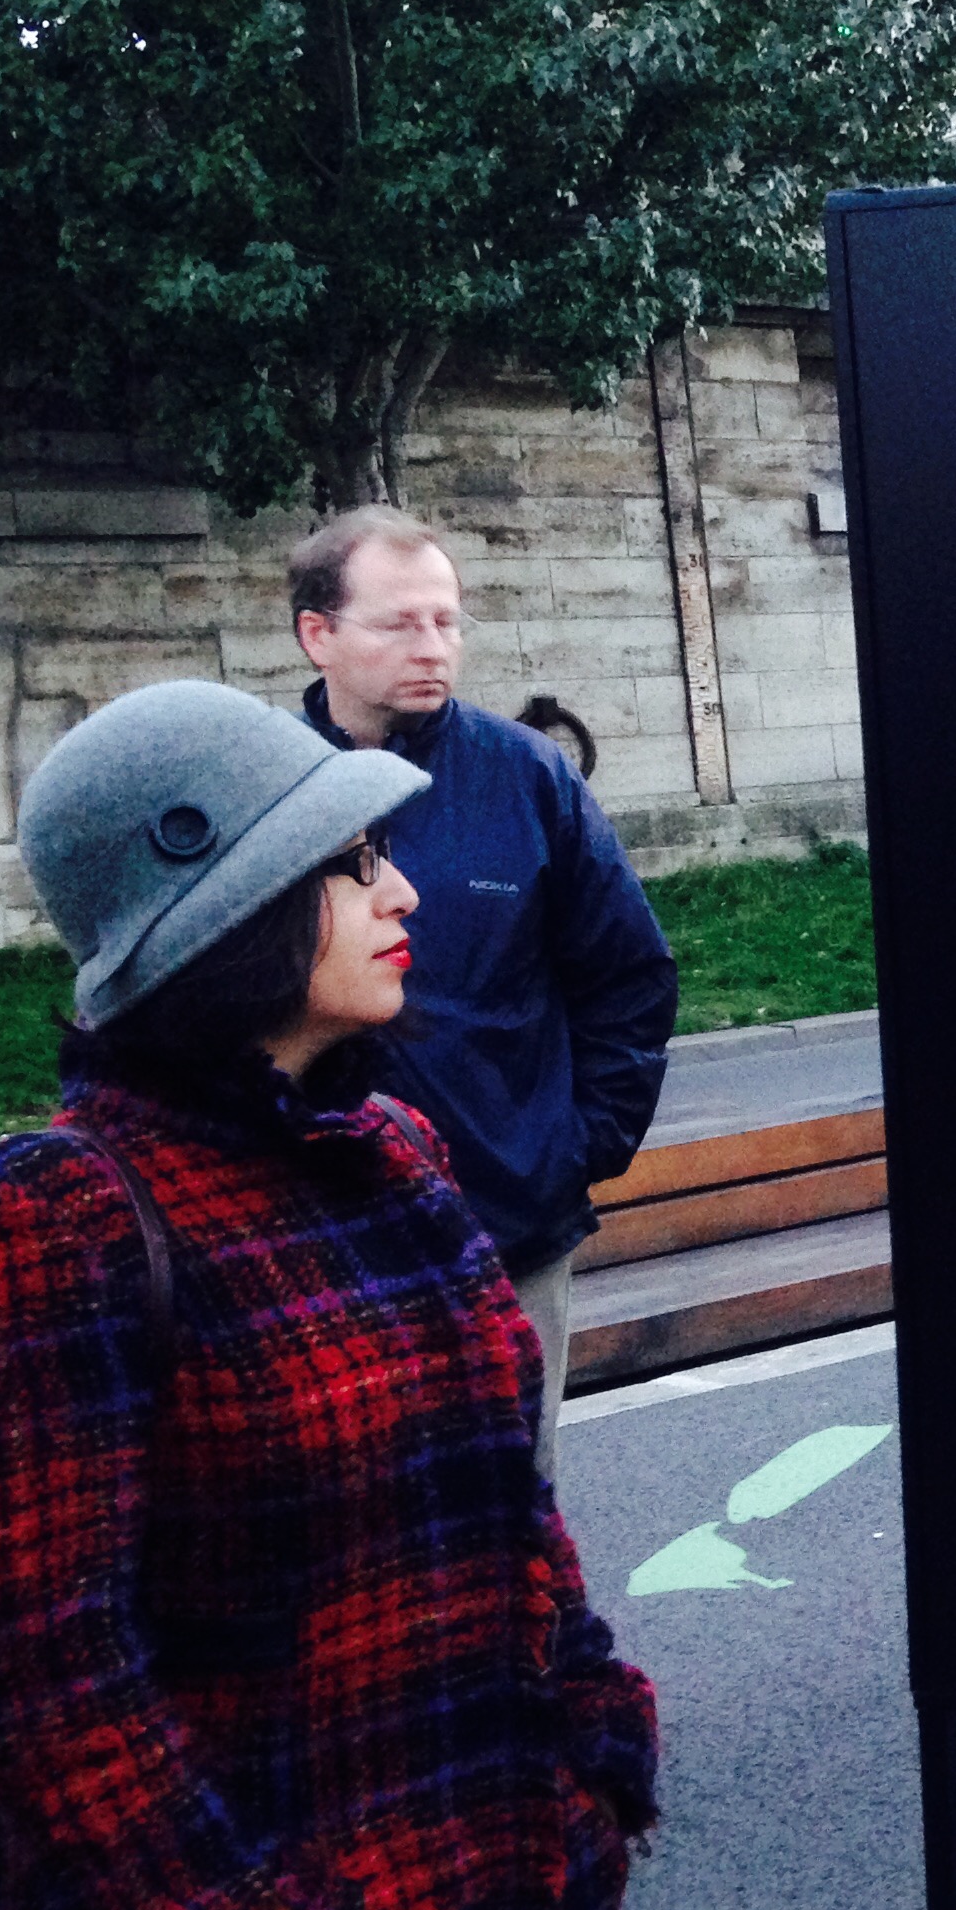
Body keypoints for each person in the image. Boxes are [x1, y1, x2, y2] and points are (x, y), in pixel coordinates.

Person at [0, 680, 659, 1910]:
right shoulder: (55, 1225)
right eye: (352, 861)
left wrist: (600, 1737)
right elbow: (51, 1692)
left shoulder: (394, 1153)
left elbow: (506, 1505)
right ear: (223, 907)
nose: (401, 886)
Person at [289, 507, 678, 1478]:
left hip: (509, 1222)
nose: (434, 648)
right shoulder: (267, 790)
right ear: (318, 634)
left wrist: (573, 1151)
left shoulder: (528, 777)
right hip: (322, 1237)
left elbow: (629, 977)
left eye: (448, 621)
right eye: (399, 624)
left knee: (508, 1507)